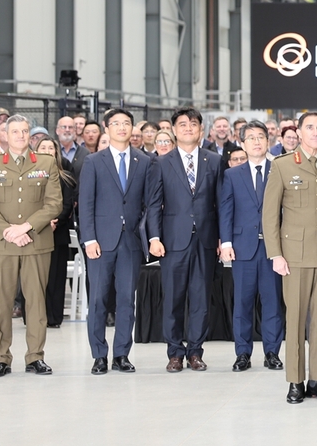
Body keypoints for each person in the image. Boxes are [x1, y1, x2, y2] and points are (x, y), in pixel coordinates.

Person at [263, 112, 317, 404]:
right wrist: (275, 253)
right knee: (296, 318)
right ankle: (295, 381)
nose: (316, 132)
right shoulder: (283, 165)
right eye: (310, 127)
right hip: (295, 255)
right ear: (299, 132)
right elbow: (270, 215)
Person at [0, 114, 63, 377]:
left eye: (25, 131)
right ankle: (1, 358)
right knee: (2, 301)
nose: (21, 136)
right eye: (15, 132)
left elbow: (54, 203)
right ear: (4, 135)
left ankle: (35, 356)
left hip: (36, 242)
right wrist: (9, 232)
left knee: (36, 302)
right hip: (2, 244)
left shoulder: (46, 162)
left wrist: (26, 228)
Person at [146, 108, 223, 373]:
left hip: (205, 239)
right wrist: (154, 237)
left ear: (201, 130)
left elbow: (221, 203)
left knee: (201, 299)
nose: (188, 128)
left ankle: (195, 352)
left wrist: (223, 239)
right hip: (172, 241)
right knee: (173, 299)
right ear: (174, 130)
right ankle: (175, 353)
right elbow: (154, 203)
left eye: (193, 124)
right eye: (182, 124)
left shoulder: (213, 160)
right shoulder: (161, 162)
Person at [78, 108, 151, 374]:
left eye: (127, 123)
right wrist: (89, 239)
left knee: (126, 300)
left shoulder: (144, 161)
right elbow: (85, 204)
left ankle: (122, 353)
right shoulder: (94, 161)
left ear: (133, 129)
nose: (122, 127)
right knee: (98, 299)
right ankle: (99, 354)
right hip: (101, 241)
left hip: (130, 241)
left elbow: (148, 202)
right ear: (107, 129)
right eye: (116, 123)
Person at [220, 121, 284, 373]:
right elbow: (226, 210)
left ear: (268, 142)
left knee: (272, 302)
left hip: (273, 249)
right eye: (251, 138)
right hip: (243, 248)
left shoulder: (279, 170)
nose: (257, 142)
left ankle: (272, 352)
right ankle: (243, 353)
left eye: (261, 137)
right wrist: (226, 242)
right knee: (243, 304)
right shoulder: (232, 174)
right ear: (243, 143)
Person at [35, 138, 77, 329]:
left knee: (55, 278)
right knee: (35, 278)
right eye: (42, 147)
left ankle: (53, 317)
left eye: (50, 147)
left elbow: (66, 204)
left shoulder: (65, 177)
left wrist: (53, 221)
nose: (46, 150)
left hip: (56, 233)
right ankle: (35, 317)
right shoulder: (29, 175)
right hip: (33, 233)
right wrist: (38, 223)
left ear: (56, 152)